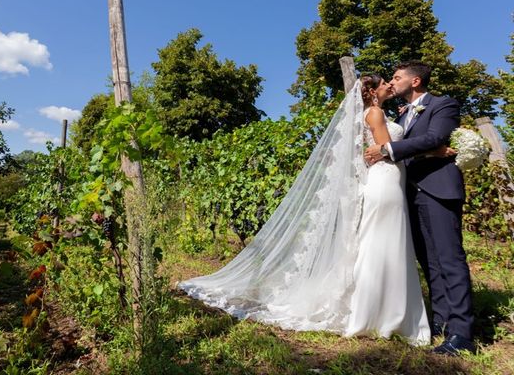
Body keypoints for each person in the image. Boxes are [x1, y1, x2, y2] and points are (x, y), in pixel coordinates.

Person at [178, 74, 430, 346]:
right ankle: (385, 313)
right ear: (371, 91)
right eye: (384, 83)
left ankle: (375, 310)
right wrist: (431, 150)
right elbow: (387, 150)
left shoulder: (368, 114)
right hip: (386, 178)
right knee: (385, 242)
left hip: (381, 180)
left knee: (378, 243)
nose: (389, 86)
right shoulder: (376, 113)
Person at [365, 61, 475, 356]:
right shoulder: (404, 113)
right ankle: (440, 321)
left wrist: (388, 149)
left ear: (415, 82)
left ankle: (462, 333)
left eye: (397, 77)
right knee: (429, 261)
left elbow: (436, 138)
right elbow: (424, 145)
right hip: (410, 192)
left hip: (438, 189)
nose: (392, 81)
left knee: (450, 259)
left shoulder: (443, 104)